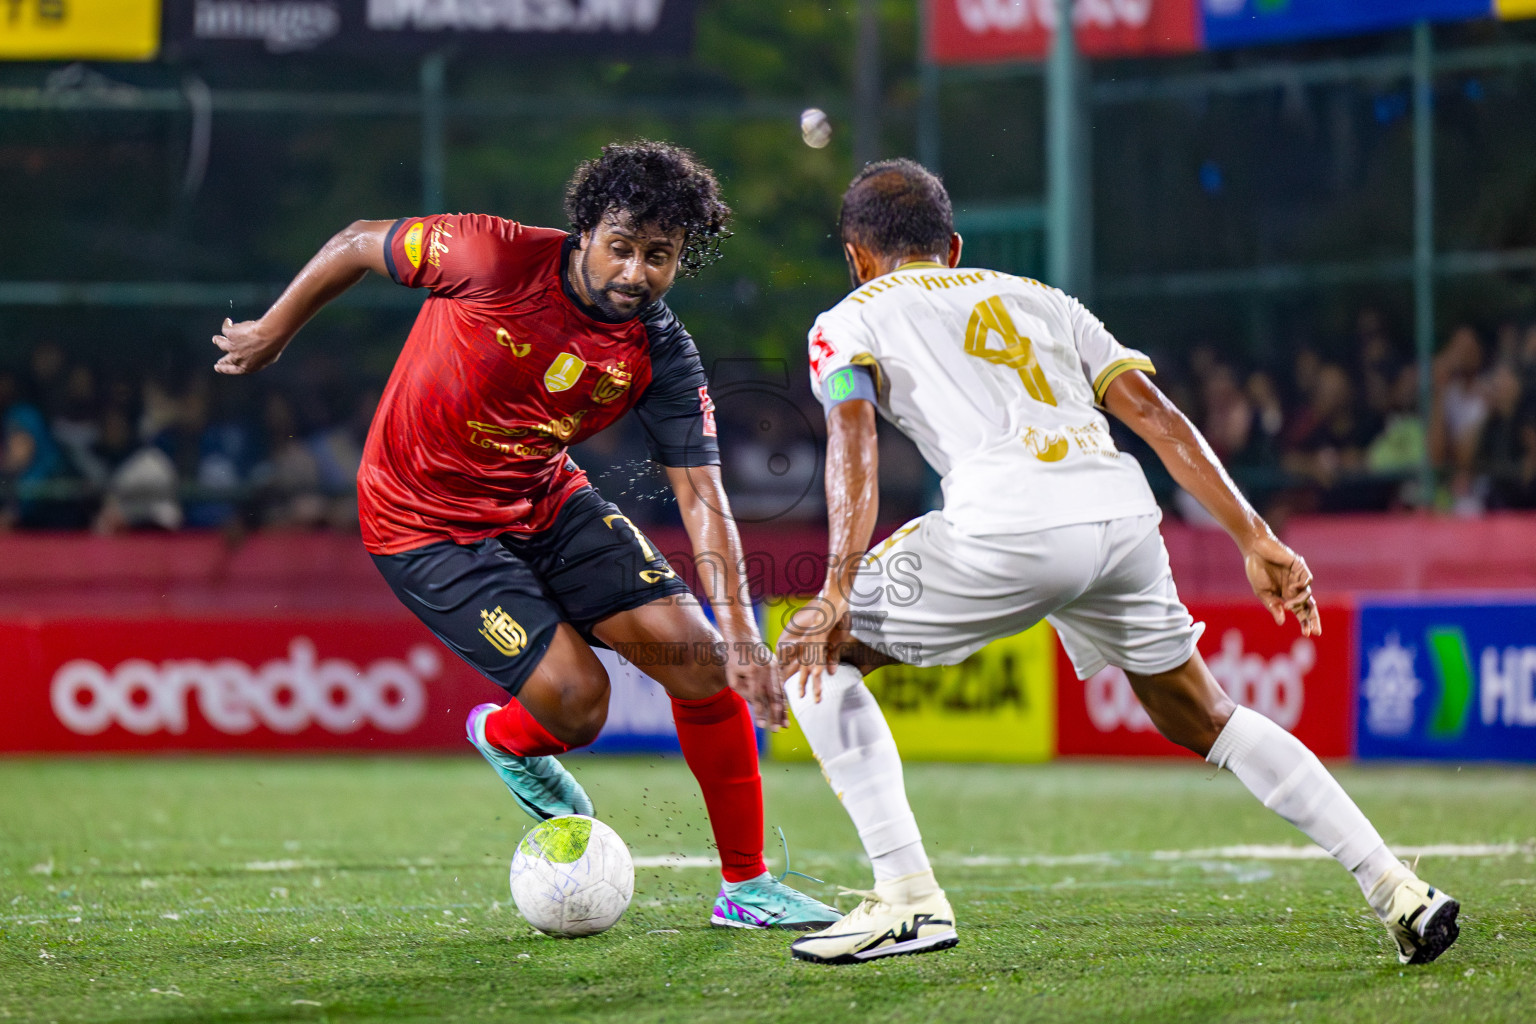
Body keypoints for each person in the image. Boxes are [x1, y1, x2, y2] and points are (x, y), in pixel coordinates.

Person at [777, 159, 1459, 966]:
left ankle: (908, 899)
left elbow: (851, 436)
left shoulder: (850, 315)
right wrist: (1255, 536)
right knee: (1202, 714)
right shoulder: (1044, 298)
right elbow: (1159, 418)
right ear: (952, 246)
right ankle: (1397, 889)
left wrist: (833, 589)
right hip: (1122, 518)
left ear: (856, 256)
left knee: (810, 654)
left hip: (1009, 526)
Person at [212, 141, 840, 931]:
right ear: (584, 232)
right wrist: (274, 329)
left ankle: (745, 888)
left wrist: (744, 632)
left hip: (544, 497)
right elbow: (354, 242)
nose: (635, 273)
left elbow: (700, 491)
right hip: (423, 521)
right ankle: (509, 739)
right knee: (579, 706)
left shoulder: (661, 350)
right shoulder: (491, 256)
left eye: (660, 256)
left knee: (703, 666)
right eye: (622, 247)